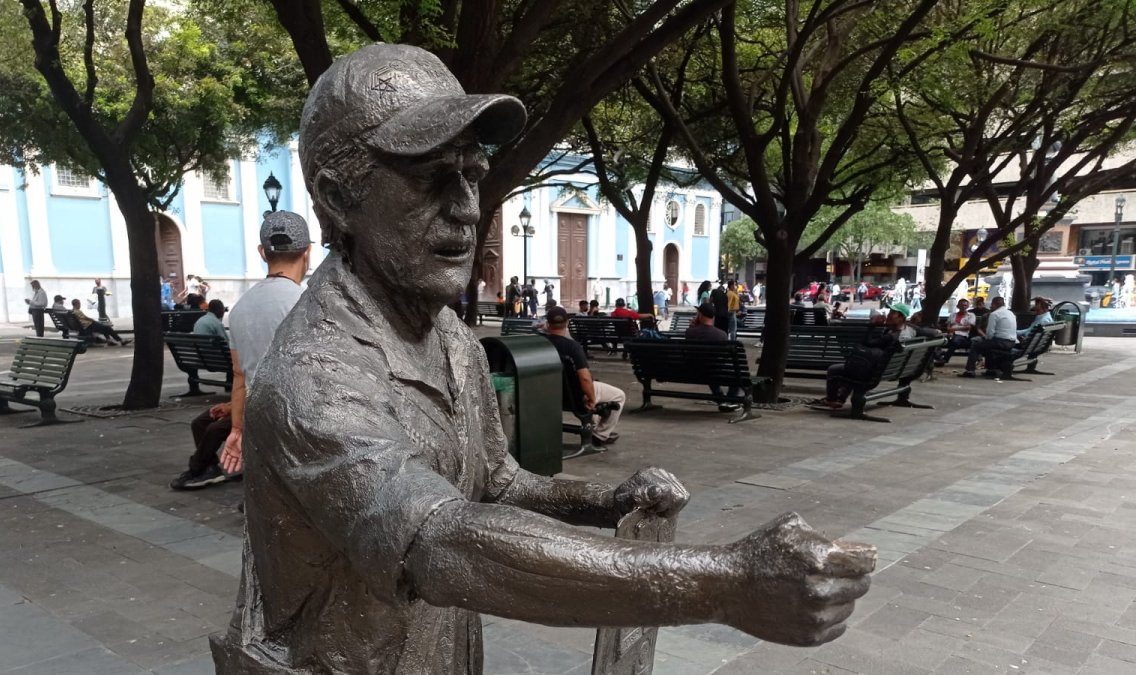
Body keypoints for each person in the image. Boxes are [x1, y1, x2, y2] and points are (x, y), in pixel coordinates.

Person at [210, 44, 873, 675]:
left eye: (472, 174)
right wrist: (724, 583)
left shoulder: (451, 339)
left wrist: (600, 500)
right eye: (430, 178)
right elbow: (439, 543)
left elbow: (496, 485)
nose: (468, 210)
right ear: (336, 198)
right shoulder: (311, 377)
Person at [216, 211, 310, 479]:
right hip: (304, 424)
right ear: (307, 251)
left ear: (262, 251)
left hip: (261, 421)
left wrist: (237, 429)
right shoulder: (308, 304)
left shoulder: (239, 309)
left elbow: (239, 376)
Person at [543, 306, 626, 443]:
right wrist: (592, 398)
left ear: (547, 323)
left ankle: (593, 426)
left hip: (550, 393)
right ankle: (600, 434)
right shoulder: (572, 347)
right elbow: (585, 378)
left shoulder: (541, 343)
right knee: (619, 395)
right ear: (567, 323)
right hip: (576, 396)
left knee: (593, 389)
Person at [809, 303, 915, 410]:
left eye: (893, 313)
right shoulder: (908, 330)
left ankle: (831, 399)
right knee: (855, 366)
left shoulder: (890, 336)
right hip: (890, 369)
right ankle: (839, 399)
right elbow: (928, 332)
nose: (888, 315)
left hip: (874, 372)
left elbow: (866, 343)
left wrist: (872, 325)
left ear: (901, 317)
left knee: (835, 369)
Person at [684, 302, 743, 412]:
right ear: (713, 317)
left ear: (700, 315)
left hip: (693, 372)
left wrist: (693, 326)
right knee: (736, 374)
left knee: (709, 369)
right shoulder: (722, 334)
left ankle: (721, 400)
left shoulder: (690, 332)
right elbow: (725, 358)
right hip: (714, 372)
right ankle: (730, 401)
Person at [170, 402, 237, 490]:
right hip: (240, 405)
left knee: (215, 429)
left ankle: (196, 469)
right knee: (199, 423)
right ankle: (210, 467)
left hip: (251, 410)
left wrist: (233, 409)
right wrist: (229, 405)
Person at [959, 296, 1016, 378]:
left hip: (1000, 342)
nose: (991, 307)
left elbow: (989, 334)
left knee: (976, 345)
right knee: (986, 344)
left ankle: (970, 370)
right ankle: (991, 369)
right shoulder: (1011, 313)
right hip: (1011, 342)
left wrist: (984, 339)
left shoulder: (994, 314)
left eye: (992, 305)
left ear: (995, 304)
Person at [935, 298, 975, 365]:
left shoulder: (971, 315)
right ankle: (938, 357)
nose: (963, 307)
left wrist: (953, 329)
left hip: (962, 335)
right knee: (936, 340)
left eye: (965, 305)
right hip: (950, 334)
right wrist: (950, 331)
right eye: (961, 305)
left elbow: (968, 327)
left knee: (955, 341)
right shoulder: (953, 315)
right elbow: (948, 326)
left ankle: (944, 359)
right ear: (958, 306)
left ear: (967, 306)